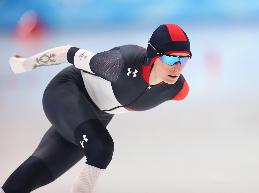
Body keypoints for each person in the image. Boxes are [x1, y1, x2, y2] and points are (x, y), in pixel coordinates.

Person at [1, 23, 192, 193]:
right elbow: (68, 52)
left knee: (36, 171)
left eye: (183, 60)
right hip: (66, 92)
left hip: (94, 115)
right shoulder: (119, 63)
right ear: (153, 55)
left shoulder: (178, 89)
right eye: (170, 59)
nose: (176, 67)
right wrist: (23, 64)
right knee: (101, 148)